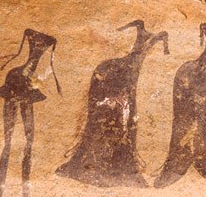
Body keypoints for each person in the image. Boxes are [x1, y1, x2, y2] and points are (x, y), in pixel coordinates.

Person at [57, 20, 168, 187]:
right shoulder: (114, 69)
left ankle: (109, 164)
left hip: (117, 92)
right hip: (109, 94)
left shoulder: (128, 67)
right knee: (111, 122)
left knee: (121, 120)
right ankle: (96, 165)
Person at [154, 22, 206, 189]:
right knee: (188, 116)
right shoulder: (190, 70)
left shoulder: (192, 70)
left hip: (192, 74)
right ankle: (181, 162)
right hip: (189, 75)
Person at [0, 29, 61, 197]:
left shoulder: (31, 76)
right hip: (15, 92)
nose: (38, 56)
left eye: (41, 51)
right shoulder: (15, 74)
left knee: (29, 143)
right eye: (38, 50)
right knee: (8, 143)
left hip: (25, 93)